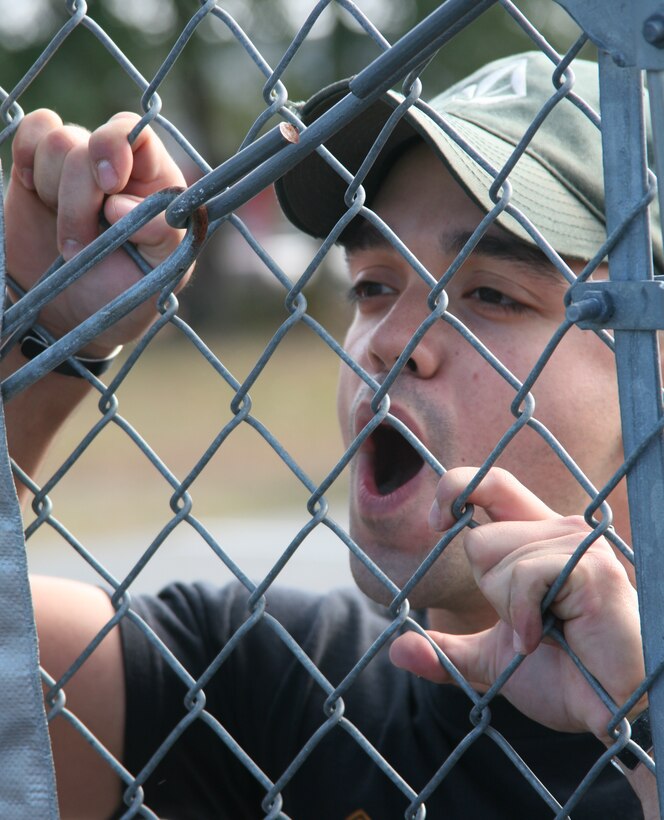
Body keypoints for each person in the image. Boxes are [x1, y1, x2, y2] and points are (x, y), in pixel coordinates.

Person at [1, 51, 658, 818]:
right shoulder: (275, 688)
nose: (389, 339)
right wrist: (35, 333)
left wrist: (642, 727)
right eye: (375, 285)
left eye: (491, 294)